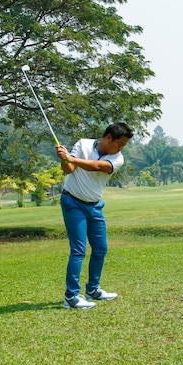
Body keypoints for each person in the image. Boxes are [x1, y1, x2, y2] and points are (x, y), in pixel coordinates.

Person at [55, 122, 133, 309]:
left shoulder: (117, 158)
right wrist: (64, 159)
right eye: (119, 143)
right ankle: (71, 297)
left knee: (100, 249)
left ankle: (93, 289)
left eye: (124, 145)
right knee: (78, 250)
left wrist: (71, 159)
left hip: (94, 205)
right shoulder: (83, 144)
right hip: (73, 202)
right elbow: (68, 170)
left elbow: (98, 166)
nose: (121, 148)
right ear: (108, 138)